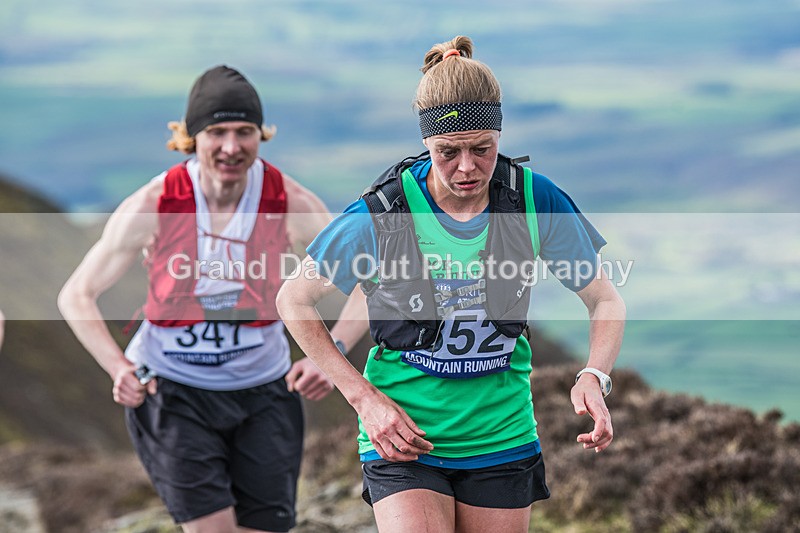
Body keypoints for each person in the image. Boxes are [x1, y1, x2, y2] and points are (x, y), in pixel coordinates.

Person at [276, 36, 626, 532]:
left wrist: (595, 375)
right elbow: (293, 299)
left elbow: (604, 299)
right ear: (426, 143)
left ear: (500, 136)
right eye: (447, 152)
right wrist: (364, 400)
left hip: (501, 436)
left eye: (482, 149)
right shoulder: (385, 211)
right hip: (403, 436)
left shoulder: (532, 199)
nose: (467, 167)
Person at [58, 65, 365, 533]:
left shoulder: (290, 202)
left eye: (244, 132)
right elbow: (77, 295)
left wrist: (333, 351)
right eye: (216, 132)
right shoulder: (155, 203)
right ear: (191, 136)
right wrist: (118, 369)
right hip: (173, 391)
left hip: (263, 391)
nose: (230, 147)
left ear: (260, 136)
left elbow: (367, 281)